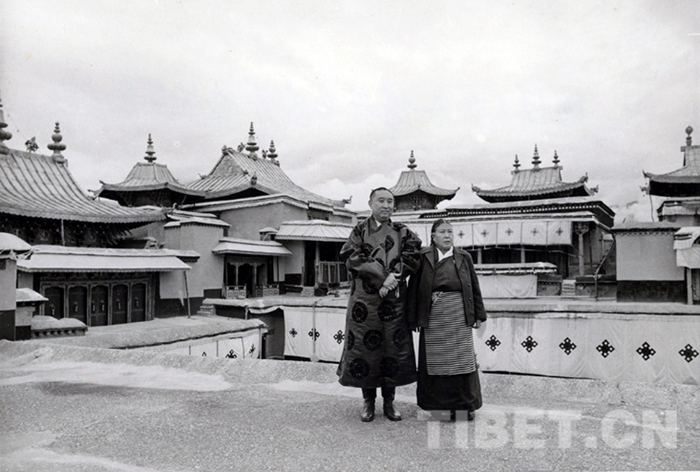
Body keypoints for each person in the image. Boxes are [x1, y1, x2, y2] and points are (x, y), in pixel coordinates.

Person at [337, 187, 422, 422]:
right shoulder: (359, 230)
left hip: (394, 301)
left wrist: (392, 278)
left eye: (390, 201)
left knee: (392, 349)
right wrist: (382, 278)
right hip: (365, 304)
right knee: (366, 350)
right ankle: (368, 401)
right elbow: (352, 257)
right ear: (370, 204)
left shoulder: (403, 231)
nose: (386, 205)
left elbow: (412, 256)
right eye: (381, 201)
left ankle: (389, 402)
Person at [407, 219, 486, 421]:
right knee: (436, 363)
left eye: (450, 231)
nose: (447, 235)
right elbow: (414, 287)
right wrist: (413, 317)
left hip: (459, 313)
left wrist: (479, 315)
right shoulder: (423, 257)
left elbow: (474, 286)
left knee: (462, 362)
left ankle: (464, 408)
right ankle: (439, 409)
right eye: (442, 232)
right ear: (433, 236)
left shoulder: (463, 257)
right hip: (433, 314)